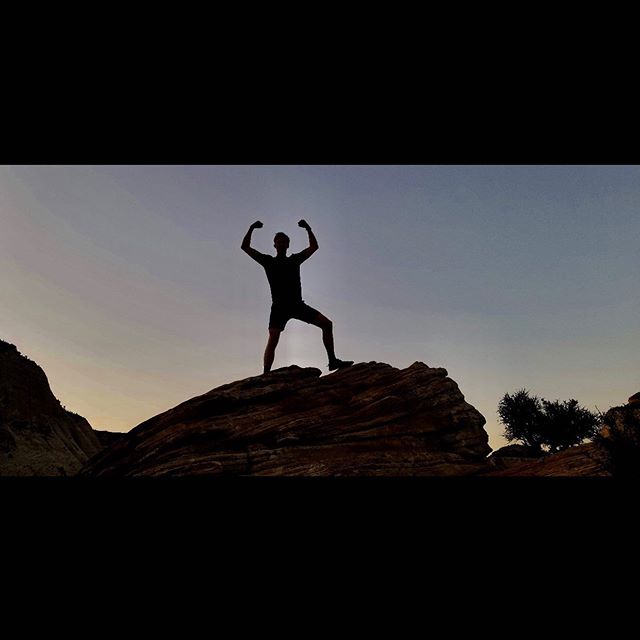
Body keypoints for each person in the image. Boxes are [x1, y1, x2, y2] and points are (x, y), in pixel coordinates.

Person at [241, 219, 354, 375]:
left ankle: (332, 360)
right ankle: (266, 374)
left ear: (288, 245)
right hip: (279, 307)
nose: (281, 244)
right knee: (273, 338)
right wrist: (251, 228)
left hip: (297, 305)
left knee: (327, 324)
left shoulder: (294, 260)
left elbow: (314, 247)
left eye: (284, 242)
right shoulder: (268, 261)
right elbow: (245, 247)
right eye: (278, 242)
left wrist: (308, 228)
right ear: (274, 245)